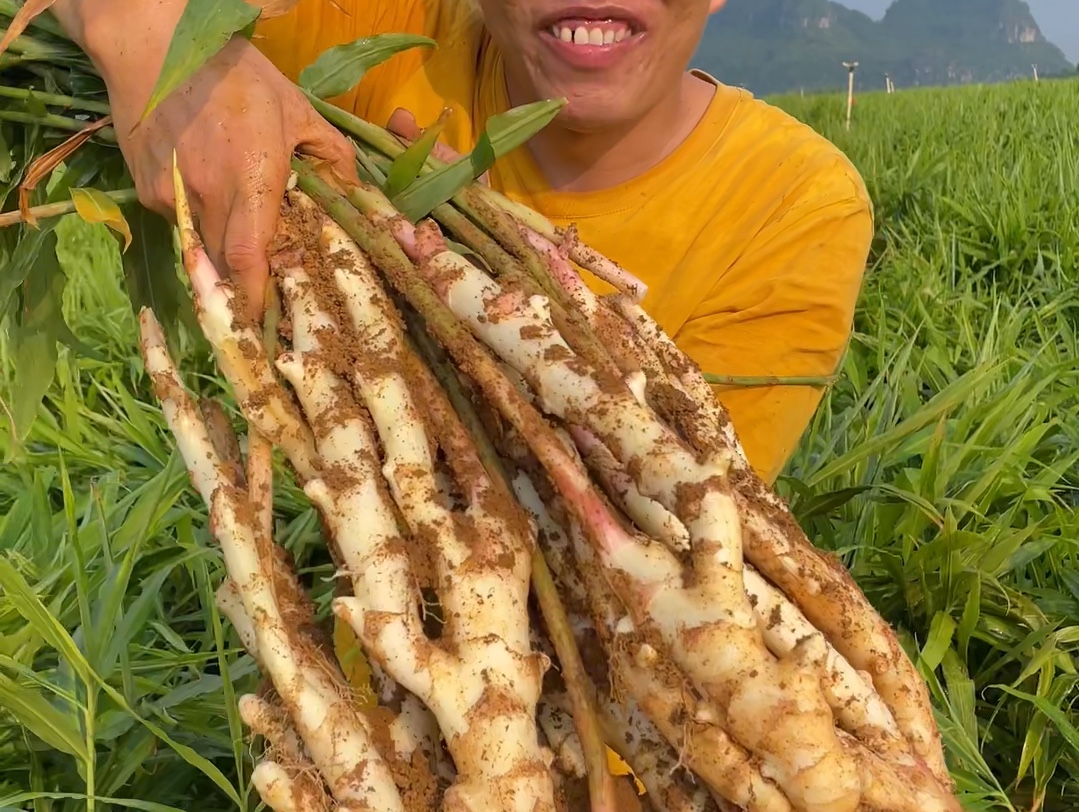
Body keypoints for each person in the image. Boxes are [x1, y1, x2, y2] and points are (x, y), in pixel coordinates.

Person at [51, 0, 873, 783]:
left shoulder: (796, 202)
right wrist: (155, 45)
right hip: (376, 688)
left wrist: (455, 282)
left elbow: (674, 553)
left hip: (623, 714)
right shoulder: (382, 35)